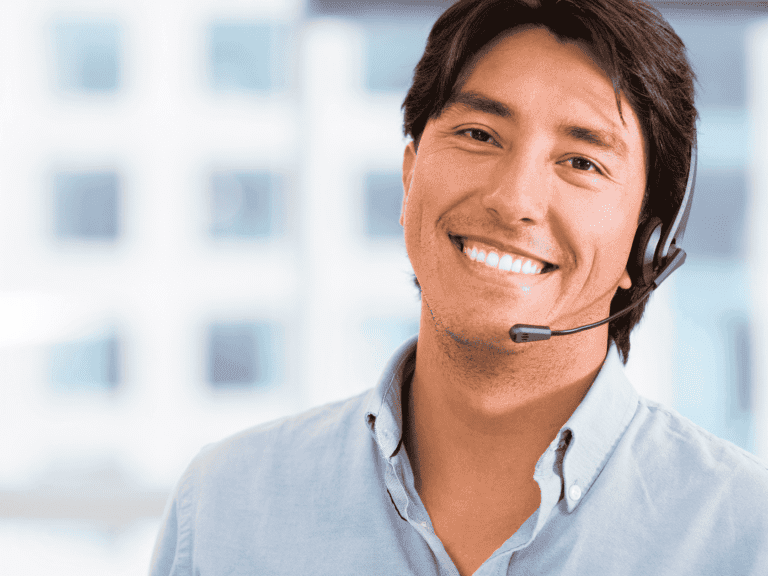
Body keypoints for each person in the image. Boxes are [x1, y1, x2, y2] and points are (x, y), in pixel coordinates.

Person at [150, 0, 768, 574]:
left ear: (646, 242)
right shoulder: (224, 511)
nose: (513, 200)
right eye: (479, 135)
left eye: (582, 162)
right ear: (410, 174)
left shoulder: (743, 535)